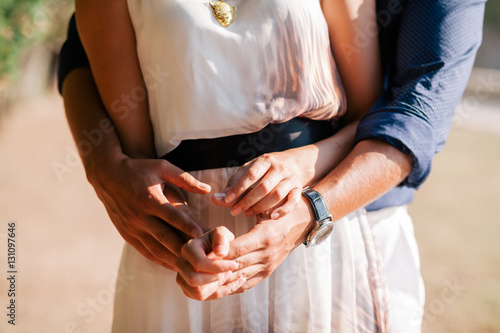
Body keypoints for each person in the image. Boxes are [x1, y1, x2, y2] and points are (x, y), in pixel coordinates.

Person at [58, 0, 485, 331]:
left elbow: (414, 111)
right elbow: (85, 62)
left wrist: (308, 198)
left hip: (331, 221)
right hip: (188, 245)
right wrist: (109, 169)